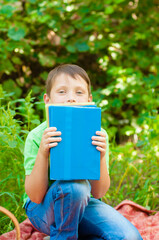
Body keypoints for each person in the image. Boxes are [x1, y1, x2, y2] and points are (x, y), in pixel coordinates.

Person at [24, 64, 143, 240]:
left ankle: (69, 232)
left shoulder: (98, 135)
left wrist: (101, 157)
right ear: (47, 100)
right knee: (75, 186)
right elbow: (35, 196)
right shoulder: (37, 136)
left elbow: (99, 193)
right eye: (62, 92)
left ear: (89, 99)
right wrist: (43, 153)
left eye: (79, 93)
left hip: (83, 204)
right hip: (42, 210)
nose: (71, 98)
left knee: (130, 237)